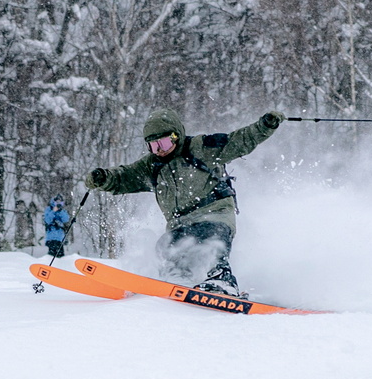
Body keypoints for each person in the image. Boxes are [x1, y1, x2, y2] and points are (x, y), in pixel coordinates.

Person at [84, 108, 286, 296]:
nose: (160, 151)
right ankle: (177, 278)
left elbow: (238, 141)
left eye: (164, 144)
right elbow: (124, 177)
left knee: (212, 239)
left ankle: (221, 279)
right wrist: (104, 178)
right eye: (153, 146)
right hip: (180, 223)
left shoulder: (201, 148)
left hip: (213, 212)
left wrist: (265, 126)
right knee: (167, 246)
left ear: (177, 136)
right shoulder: (152, 165)